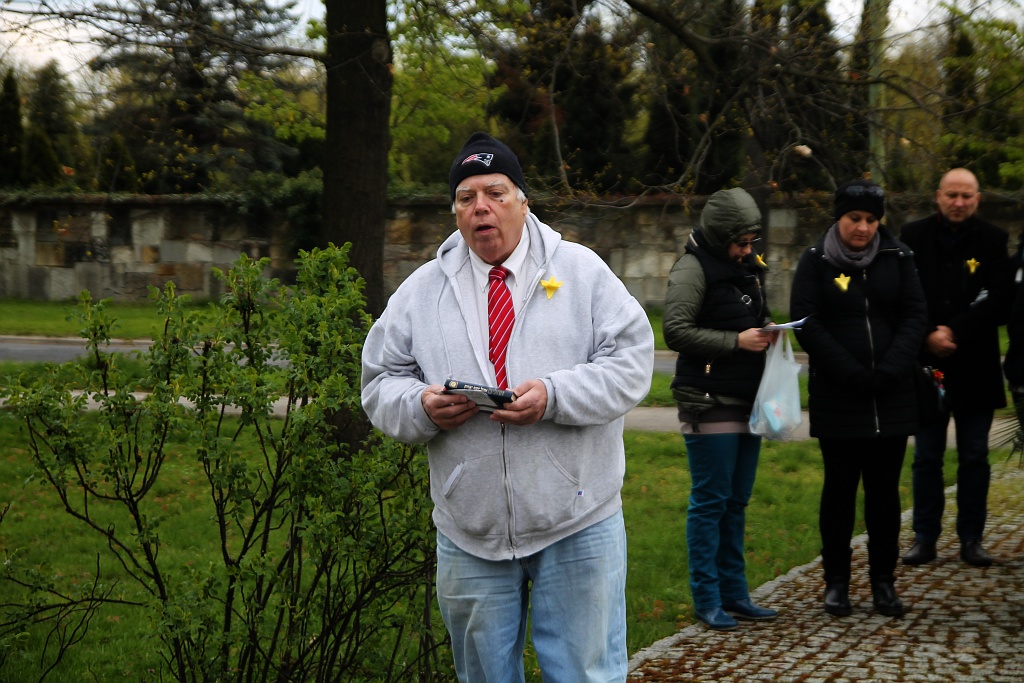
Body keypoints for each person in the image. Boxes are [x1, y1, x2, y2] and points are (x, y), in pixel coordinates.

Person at [361, 132, 654, 682]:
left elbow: (633, 365)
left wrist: (555, 395)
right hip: (469, 530)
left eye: (495, 192)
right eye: (467, 198)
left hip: (577, 518)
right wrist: (422, 406)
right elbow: (378, 382)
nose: (481, 208)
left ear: (523, 201)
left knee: (586, 676)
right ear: (455, 213)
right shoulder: (421, 291)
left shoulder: (582, 273)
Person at [790, 179, 927, 617]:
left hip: (892, 394)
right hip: (839, 395)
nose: (863, 228)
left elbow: (914, 314)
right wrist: (848, 371)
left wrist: (892, 367)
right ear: (839, 218)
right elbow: (807, 322)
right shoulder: (815, 261)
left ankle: (884, 583)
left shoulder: (899, 258)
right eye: (855, 219)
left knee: (885, 494)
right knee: (840, 492)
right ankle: (836, 584)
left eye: (871, 220)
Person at [663, 187, 780, 631]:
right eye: (741, 242)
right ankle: (707, 599)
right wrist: (737, 341)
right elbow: (675, 330)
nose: (747, 250)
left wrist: (769, 329)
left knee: (737, 502)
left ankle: (736, 595)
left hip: (748, 399)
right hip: (707, 400)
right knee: (711, 502)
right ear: (719, 235)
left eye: (751, 242)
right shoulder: (692, 269)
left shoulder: (745, 267)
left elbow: (751, 315)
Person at [899, 168, 1014, 568]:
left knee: (974, 456)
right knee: (926, 456)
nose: (959, 203)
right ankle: (924, 537)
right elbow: (903, 293)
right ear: (938, 196)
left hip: (975, 362)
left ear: (978, 199)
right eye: (952, 195)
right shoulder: (911, 237)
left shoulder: (994, 240)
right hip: (927, 364)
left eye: (966, 196)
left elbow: (1000, 299)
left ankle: (971, 538)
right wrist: (930, 333)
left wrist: (956, 332)